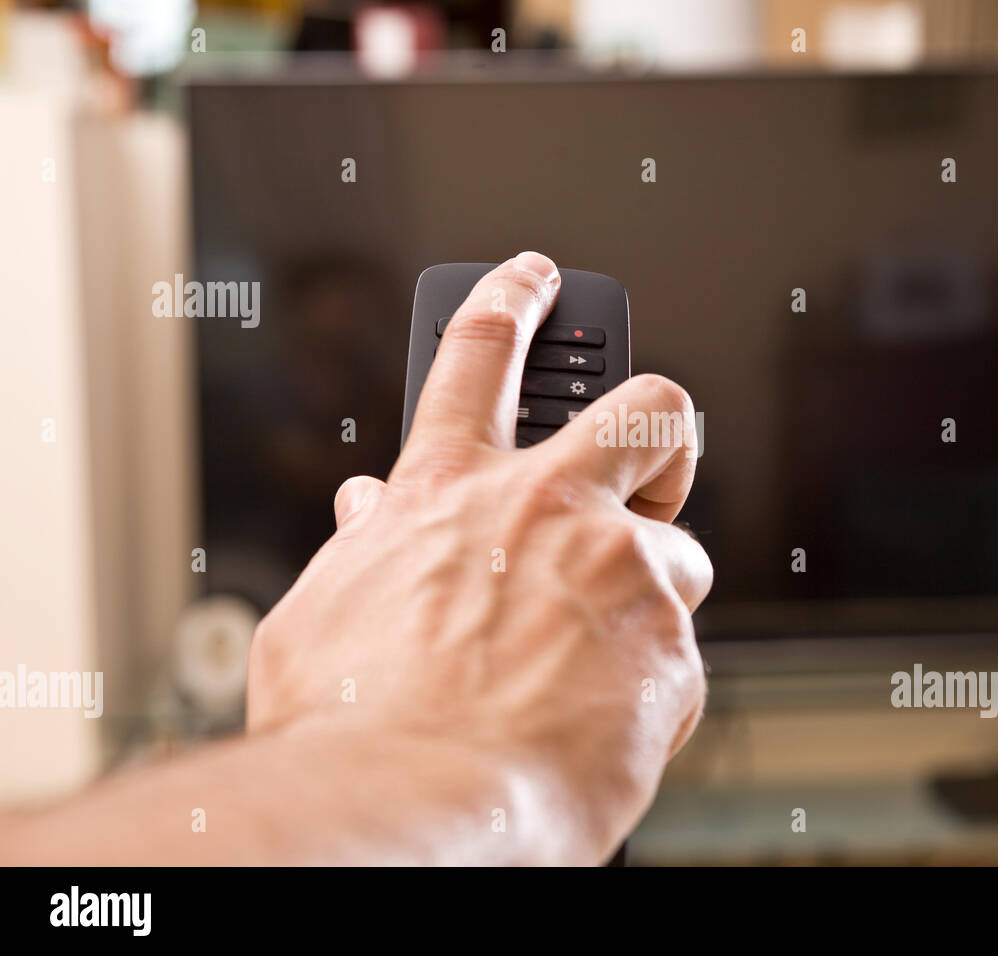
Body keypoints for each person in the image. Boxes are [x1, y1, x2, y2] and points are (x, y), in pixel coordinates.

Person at [0, 253, 711, 865]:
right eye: (319, 338)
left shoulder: (372, 399)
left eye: (351, 338)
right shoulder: (251, 407)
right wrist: (462, 769)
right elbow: (301, 472)